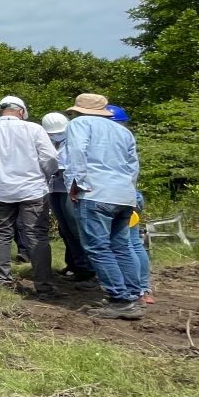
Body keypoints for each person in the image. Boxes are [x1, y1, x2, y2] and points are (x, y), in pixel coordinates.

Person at [0, 95, 60, 298]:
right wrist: (47, 173)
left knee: (1, 234)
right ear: (21, 112)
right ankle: (43, 285)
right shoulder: (34, 129)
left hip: (1, 190)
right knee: (36, 235)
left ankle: (3, 282)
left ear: (1, 111)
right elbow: (51, 157)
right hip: (32, 189)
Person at [65, 94, 145, 319]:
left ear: (79, 109)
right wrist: (129, 189)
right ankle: (134, 295)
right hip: (124, 194)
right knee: (121, 246)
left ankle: (120, 300)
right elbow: (133, 165)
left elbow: (77, 153)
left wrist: (76, 183)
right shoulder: (123, 131)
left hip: (96, 192)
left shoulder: (79, 123)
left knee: (97, 247)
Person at [40, 112, 94, 285]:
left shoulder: (74, 140)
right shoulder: (50, 142)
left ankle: (87, 268)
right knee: (65, 230)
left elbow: (77, 165)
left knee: (76, 228)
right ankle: (74, 264)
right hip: (54, 188)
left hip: (71, 189)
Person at [109, 104, 153, 304]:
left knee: (127, 244)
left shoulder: (112, 141)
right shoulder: (127, 139)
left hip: (122, 196)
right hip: (131, 195)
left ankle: (138, 290)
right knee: (133, 243)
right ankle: (144, 288)